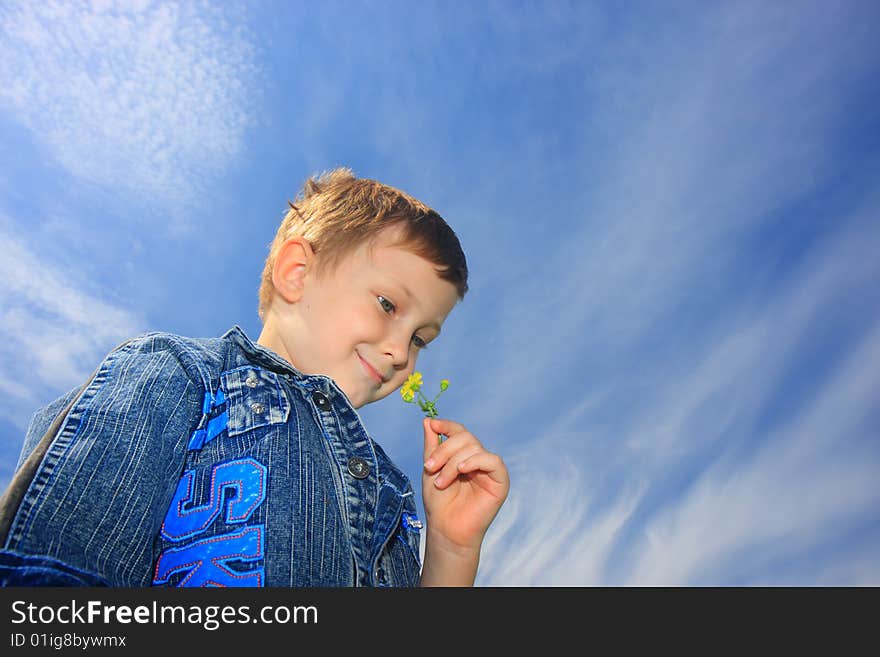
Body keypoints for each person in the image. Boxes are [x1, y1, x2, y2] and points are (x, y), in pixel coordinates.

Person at [0, 168, 509, 587]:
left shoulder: (386, 488)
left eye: (421, 338)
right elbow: (55, 569)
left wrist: (450, 549)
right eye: (387, 304)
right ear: (297, 274)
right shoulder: (176, 375)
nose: (401, 351)